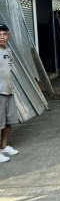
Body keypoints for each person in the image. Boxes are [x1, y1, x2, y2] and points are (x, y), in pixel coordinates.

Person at [0, 23, 19, 163]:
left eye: (4, 34)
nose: (2, 37)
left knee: (8, 121)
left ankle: (4, 147)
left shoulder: (8, 51)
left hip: (8, 90)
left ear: (9, 36)